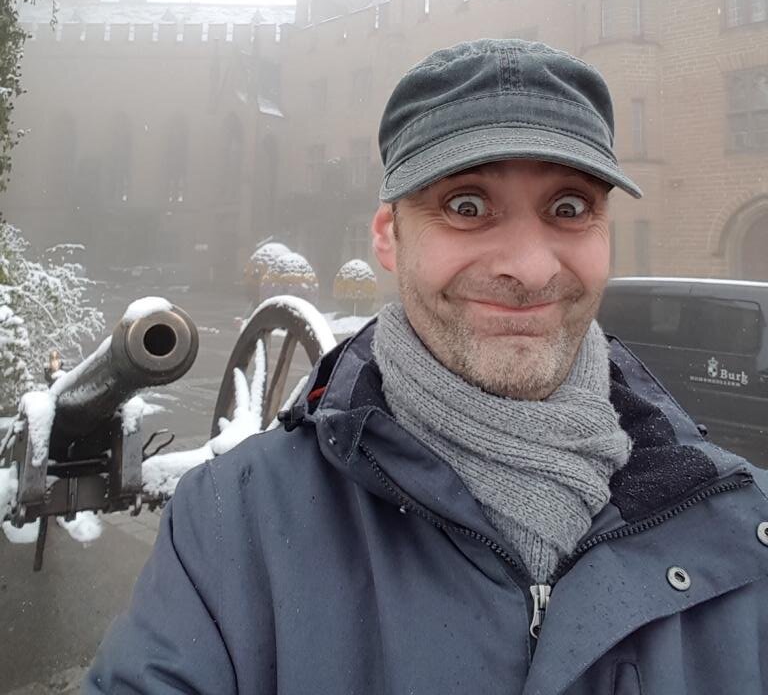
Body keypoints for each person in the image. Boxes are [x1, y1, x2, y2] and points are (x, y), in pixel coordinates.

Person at [85, 39, 768, 694]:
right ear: (388, 236)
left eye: (569, 207)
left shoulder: (747, 531)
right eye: (466, 206)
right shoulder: (233, 529)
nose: (530, 268)